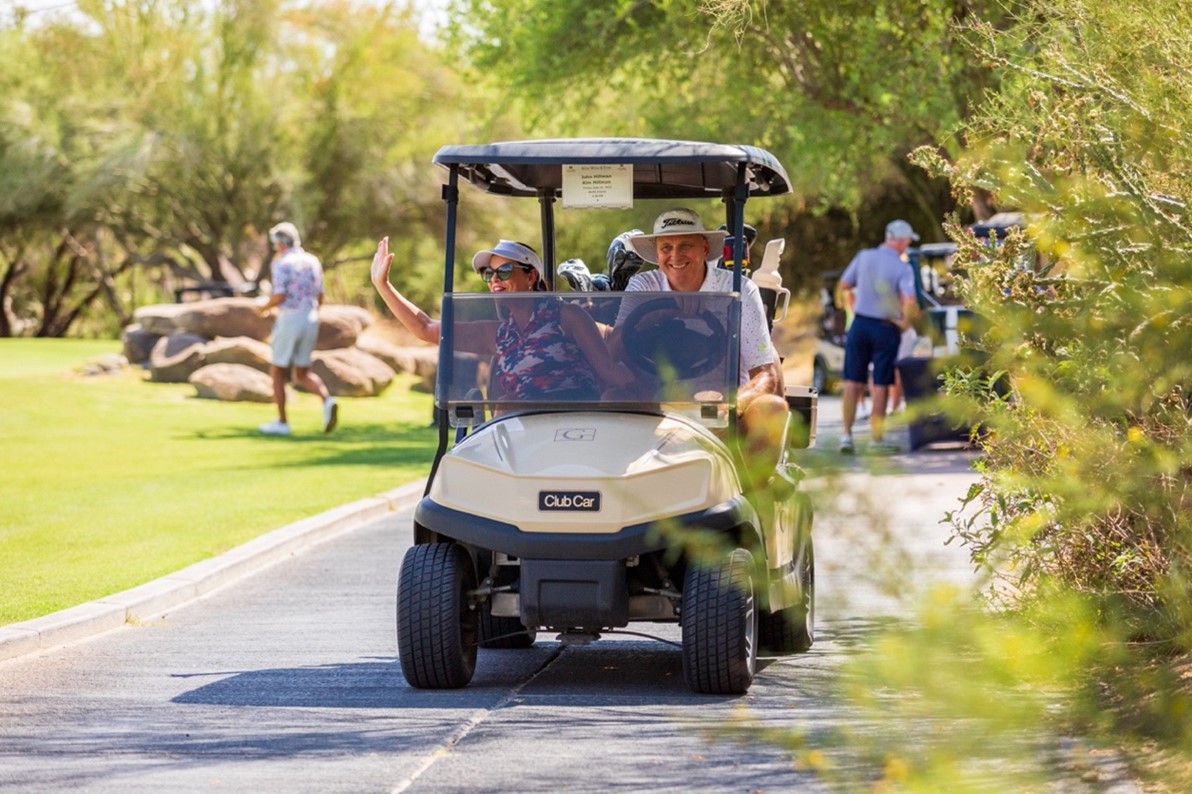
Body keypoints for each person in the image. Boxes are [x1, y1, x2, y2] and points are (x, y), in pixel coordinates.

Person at [616, 208, 789, 480]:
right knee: (608, 399)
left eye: (686, 245)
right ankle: (618, 487)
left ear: (704, 248)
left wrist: (731, 404)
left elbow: (764, 374)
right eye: (666, 247)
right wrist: (661, 312)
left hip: (722, 404)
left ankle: (752, 496)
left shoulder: (739, 288)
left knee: (772, 409)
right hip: (654, 399)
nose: (675, 256)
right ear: (657, 253)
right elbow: (617, 347)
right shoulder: (643, 285)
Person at [370, 236, 633, 401]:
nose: (494, 278)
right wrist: (383, 285)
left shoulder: (567, 316)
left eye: (505, 270)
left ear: (531, 277)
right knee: (505, 407)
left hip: (574, 425)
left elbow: (608, 372)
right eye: (488, 273)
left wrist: (656, 399)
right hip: (523, 433)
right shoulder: (498, 333)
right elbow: (425, 327)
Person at [837, 219, 921, 454]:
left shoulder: (864, 256)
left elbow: (844, 284)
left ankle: (846, 436)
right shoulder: (903, 267)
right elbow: (910, 300)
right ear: (902, 240)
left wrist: (857, 307)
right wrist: (903, 323)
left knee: (853, 382)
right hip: (886, 327)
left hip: (860, 323)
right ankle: (876, 439)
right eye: (907, 241)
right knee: (881, 383)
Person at [257, 222, 337, 436]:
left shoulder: (283, 262)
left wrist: (262, 308)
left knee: (277, 370)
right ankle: (328, 401)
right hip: (311, 317)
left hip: (290, 317)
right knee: (302, 372)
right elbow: (320, 295)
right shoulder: (312, 261)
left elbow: (280, 295)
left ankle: (282, 422)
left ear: (282, 243)